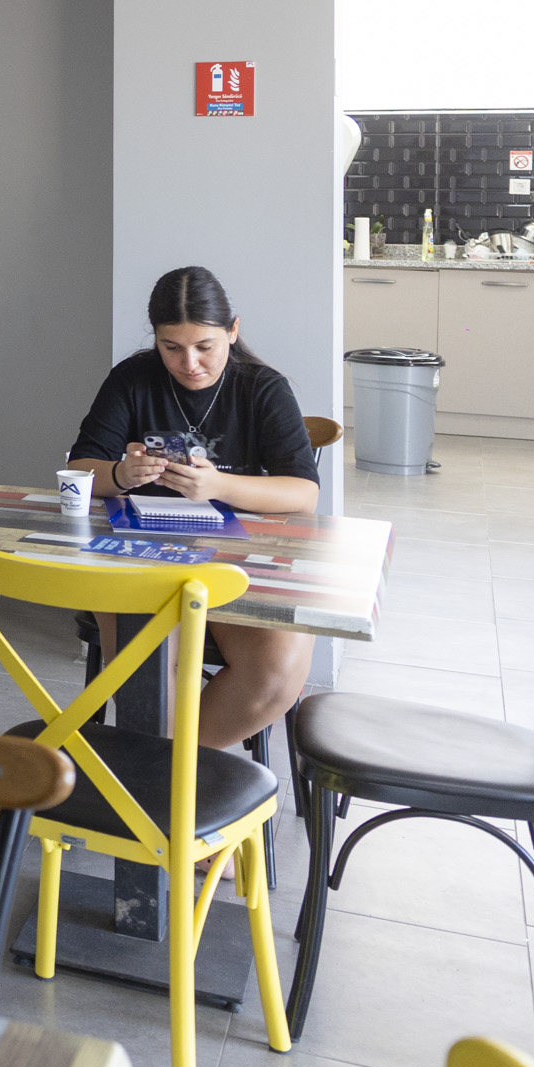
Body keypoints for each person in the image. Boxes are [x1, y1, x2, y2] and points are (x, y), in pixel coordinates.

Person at [64, 265, 320, 751]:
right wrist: (121, 474)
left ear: (233, 331)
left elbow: (304, 493)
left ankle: (168, 772)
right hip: (140, 553)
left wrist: (218, 484)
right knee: (146, 675)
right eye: (171, 348)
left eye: (205, 346)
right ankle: (175, 781)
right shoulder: (132, 379)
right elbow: (80, 467)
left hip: (238, 557)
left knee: (275, 672)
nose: (190, 364)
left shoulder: (263, 387)